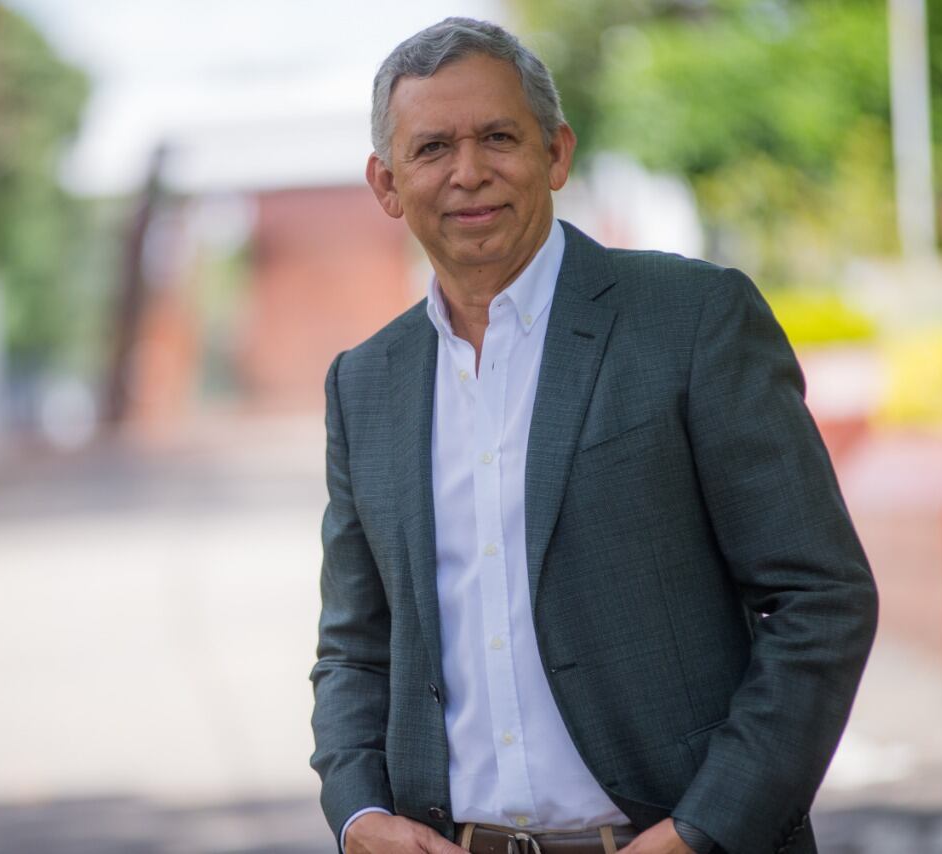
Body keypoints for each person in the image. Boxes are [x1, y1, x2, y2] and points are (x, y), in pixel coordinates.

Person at [310, 17, 877, 854]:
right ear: (387, 184)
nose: (469, 172)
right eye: (432, 149)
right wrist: (359, 816)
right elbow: (356, 647)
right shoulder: (365, 384)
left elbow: (820, 600)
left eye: (499, 137)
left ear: (557, 153)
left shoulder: (691, 321)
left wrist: (704, 830)